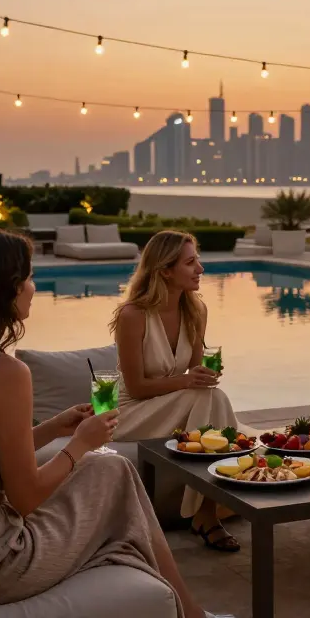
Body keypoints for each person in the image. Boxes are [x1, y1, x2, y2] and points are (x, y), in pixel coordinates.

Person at [0, 230, 228, 617]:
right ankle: (194, 614)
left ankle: (186, 609)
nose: (34, 288)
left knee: (111, 470)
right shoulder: (4, 372)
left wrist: (53, 428)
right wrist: (79, 443)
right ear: (9, 288)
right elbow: (26, 497)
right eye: (30, 278)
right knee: (114, 479)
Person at [110, 230, 241, 552]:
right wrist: (188, 382)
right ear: (165, 270)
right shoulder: (133, 315)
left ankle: (207, 510)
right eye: (191, 262)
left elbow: (195, 372)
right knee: (207, 397)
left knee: (212, 395)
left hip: (169, 404)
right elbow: (137, 387)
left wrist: (204, 375)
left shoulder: (196, 311)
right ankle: (207, 512)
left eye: (198, 260)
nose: (200, 269)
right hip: (129, 411)